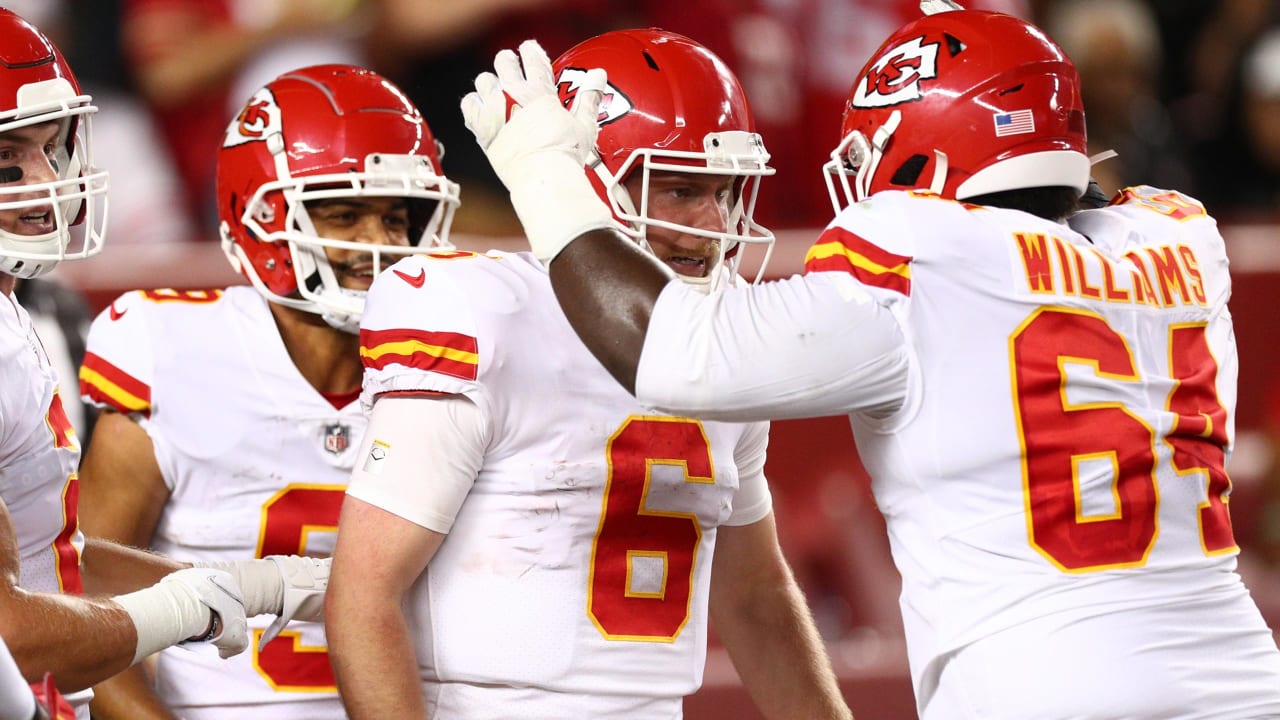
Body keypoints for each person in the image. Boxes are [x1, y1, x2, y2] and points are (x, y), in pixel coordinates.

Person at [461, 7, 1280, 720]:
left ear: (922, 157)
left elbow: (673, 351)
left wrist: (542, 175)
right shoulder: (1177, 238)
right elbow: (1058, 222)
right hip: (1242, 679)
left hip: (1040, 687)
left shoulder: (920, 249)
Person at [326, 29, 850, 720]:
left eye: (726, 191)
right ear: (588, 182)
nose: (716, 223)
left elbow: (754, 595)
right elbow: (363, 599)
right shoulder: (484, 317)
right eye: (681, 190)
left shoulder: (716, 342)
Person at [76, 63, 460, 720]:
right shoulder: (175, 354)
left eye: (397, 218)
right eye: (344, 214)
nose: (380, 245)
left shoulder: (452, 359)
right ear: (258, 219)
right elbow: (88, 612)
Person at [0, 9, 336, 718]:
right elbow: (11, 636)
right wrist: (184, 609)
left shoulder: (11, 311)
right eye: (6, 161)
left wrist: (246, 584)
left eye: (48, 147)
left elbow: (48, 562)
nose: (42, 182)